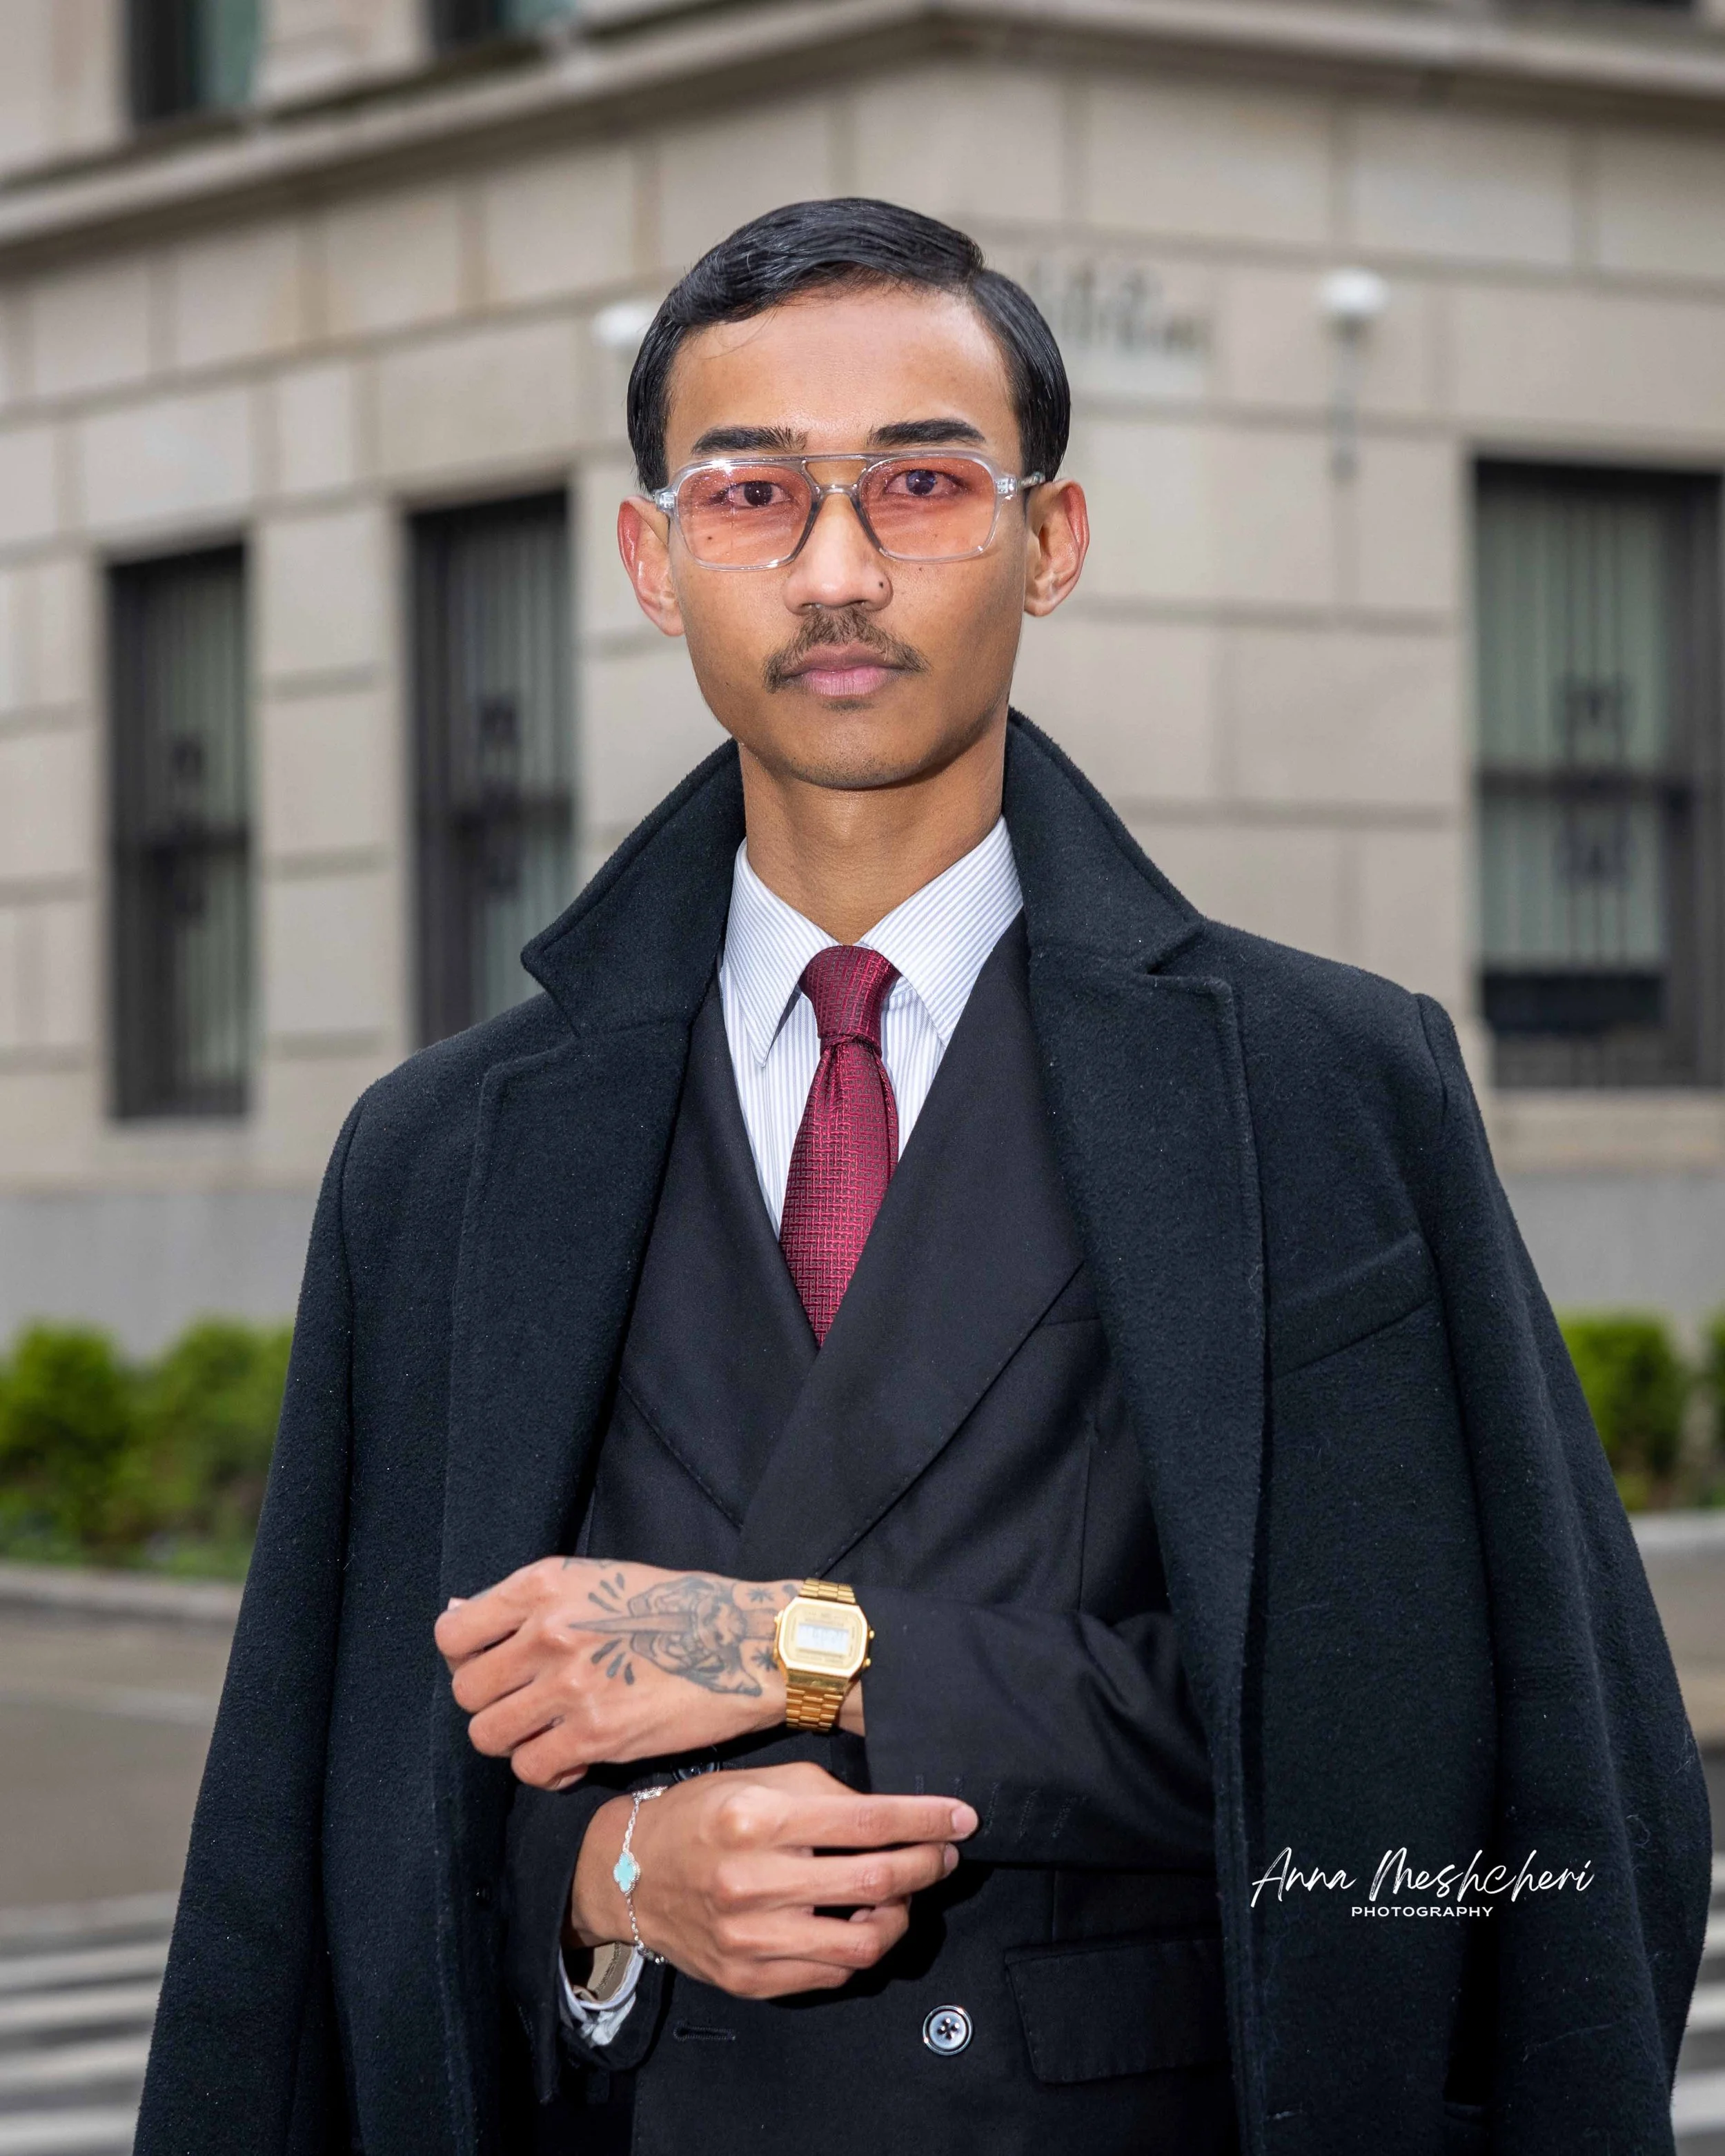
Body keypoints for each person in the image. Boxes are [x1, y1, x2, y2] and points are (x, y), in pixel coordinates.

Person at [136, 199, 1711, 2156]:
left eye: (920, 482)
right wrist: (606, 1878)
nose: (837, 569)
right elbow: (319, 1835)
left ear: (1046, 540)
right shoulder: (438, 1157)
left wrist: (800, 1643)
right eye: (750, 493)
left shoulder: (1327, 1087)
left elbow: (1480, 1760)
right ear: (651, 555)